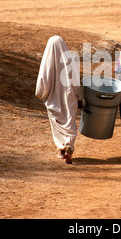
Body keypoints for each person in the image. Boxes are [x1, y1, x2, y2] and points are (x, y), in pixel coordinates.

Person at [35, 36, 81, 164]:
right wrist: (80, 97)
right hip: (69, 96)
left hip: (53, 98)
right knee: (69, 122)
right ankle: (69, 148)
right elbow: (75, 79)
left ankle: (61, 149)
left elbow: (42, 79)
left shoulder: (47, 60)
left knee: (57, 124)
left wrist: (41, 94)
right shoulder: (69, 59)